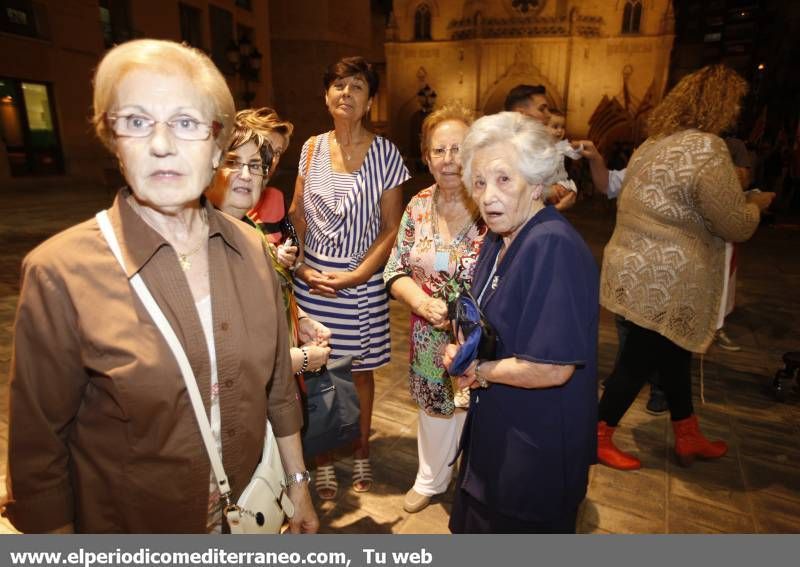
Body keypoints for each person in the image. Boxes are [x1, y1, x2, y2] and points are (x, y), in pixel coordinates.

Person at [2, 39, 318, 534]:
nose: (162, 143)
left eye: (187, 122)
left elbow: (279, 386)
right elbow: (38, 452)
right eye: (136, 121)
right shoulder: (59, 272)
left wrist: (299, 484)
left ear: (217, 146)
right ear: (112, 140)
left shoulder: (253, 250)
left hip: (250, 516)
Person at [594, 65, 775, 471]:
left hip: (632, 266)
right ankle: (598, 433)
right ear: (720, 105)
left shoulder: (653, 145)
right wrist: (756, 206)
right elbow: (734, 223)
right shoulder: (708, 150)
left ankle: (687, 433)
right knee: (637, 360)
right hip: (666, 277)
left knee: (674, 354)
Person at [443, 112, 599, 533]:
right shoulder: (500, 238)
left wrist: (478, 371)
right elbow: (487, 318)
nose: (489, 196)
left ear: (535, 184)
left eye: (504, 180)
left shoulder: (552, 246)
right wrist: (462, 351)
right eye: (479, 183)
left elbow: (551, 366)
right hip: (498, 437)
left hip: (534, 451)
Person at [289, 56, 410, 499]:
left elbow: (390, 229)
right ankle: (321, 459)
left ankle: (360, 451)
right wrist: (300, 265)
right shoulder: (310, 148)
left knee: (358, 375)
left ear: (370, 100)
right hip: (311, 280)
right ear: (326, 95)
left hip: (359, 284)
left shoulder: (385, 154)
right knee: (318, 375)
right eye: (338, 84)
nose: (346, 93)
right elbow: (297, 215)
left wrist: (356, 275)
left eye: (357, 86)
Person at [383, 103, 486, 514]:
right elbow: (395, 269)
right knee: (434, 410)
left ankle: (473, 481)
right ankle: (431, 478)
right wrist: (422, 301)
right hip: (428, 334)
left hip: (481, 339)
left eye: (457, 149)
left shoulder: (490, 207)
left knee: (479, 412)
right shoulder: (417, 205)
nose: (448, 160)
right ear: (426, 157)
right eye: (438, 151)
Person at [205, 107, 332, 376]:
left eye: (255, 164)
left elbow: (265, 305)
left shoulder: (250, 231)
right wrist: (301, 360)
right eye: (233, 162)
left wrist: (300, 320)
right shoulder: (203, 240)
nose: (247, 174)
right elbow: (222, 359)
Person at [505, 85, 576, 211]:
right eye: (542, 109)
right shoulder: (507, 148)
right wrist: (557, 206)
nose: (548, 115)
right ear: (521, 114)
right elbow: (514, 199)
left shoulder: (537, 145)